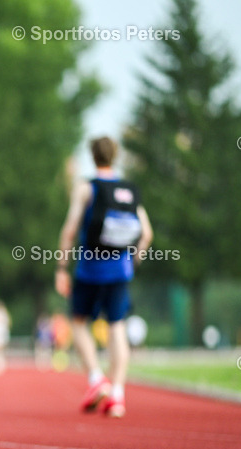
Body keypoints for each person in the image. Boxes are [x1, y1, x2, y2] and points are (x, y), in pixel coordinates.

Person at [55, 136, 153, 418]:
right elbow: (146, 234)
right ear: (116, 156)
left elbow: (70, 230)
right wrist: (133, 261)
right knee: (117, 327)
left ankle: (97, 379)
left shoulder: (86, 188)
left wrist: (61, 267)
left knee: (78, 321)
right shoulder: (128, 190)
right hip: (120, 269)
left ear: (92, 156)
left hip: (90, 269)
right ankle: (118, 395)